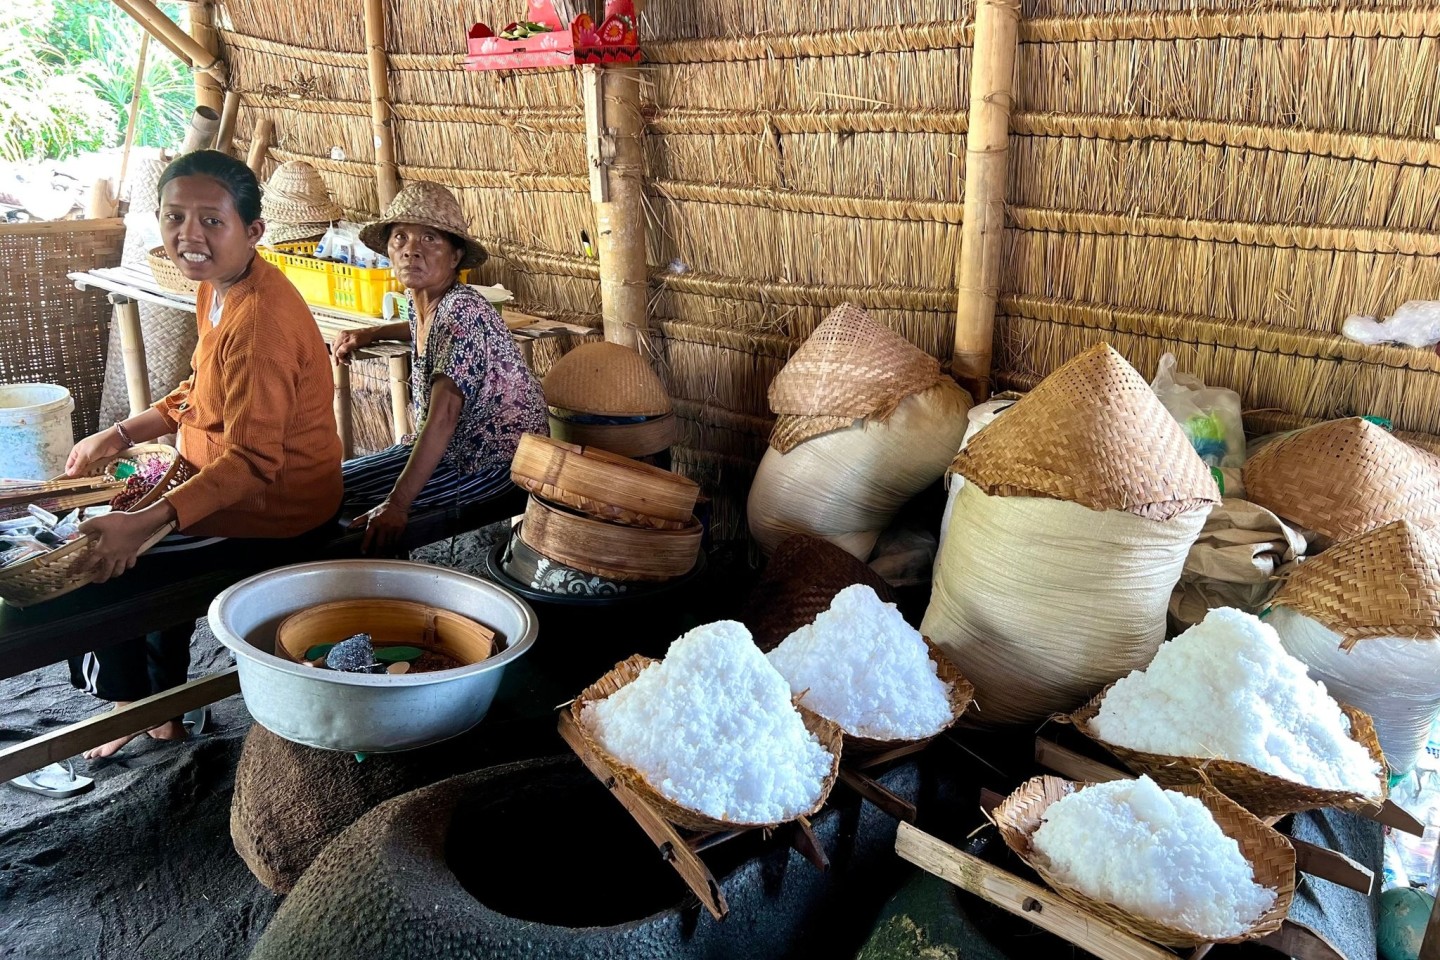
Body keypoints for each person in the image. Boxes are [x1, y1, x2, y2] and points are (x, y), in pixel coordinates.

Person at [63, 150, 344, 758]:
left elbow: (252, 464)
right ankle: (158, 710)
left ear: (253, 231)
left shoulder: (258, 326)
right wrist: (119, 435)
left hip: (273, 512)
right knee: (131, 538)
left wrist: (142, 523)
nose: (188, 234)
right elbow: (199, 390)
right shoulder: (220, 289)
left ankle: (131, 706)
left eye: (211, 221)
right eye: (174, 216)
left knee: (100, 563)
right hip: (233, 484)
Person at [333, 181, 547, 554]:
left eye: (429, 239)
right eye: (400, 237)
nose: (411, 250)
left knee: (350, 514)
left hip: (493, 462)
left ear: (454, 257)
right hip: (452, 451)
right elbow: (419, 326)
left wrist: (398, 505)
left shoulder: (461, 312)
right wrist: (370, 333)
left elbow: (444, 415)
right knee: (328, 488)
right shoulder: (426, 302)